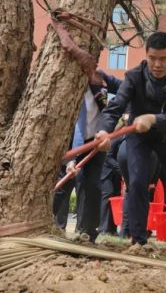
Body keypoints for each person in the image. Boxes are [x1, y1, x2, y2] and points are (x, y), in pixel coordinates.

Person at [95, 31, 166, 253]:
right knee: (138, 182)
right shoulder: (133, 76)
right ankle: (138, 240)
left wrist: (153, 119)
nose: (157, 64)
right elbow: (116, 106)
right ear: (146, 56)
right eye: (152, 58)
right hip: (139, 138)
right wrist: (103, 131)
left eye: (163, 59)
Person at [55, 69, 121, 238]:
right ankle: (56, 227)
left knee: (92, 185)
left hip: (95, 141)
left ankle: (87, 232)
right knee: (64, 185)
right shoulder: (65, 88)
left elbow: (125, 89)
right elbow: (76, 126)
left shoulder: (98, 81)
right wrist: (71, 159)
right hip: (69, 141)